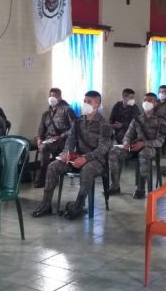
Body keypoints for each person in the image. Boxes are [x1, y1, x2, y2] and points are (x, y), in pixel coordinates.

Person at [32, 90, 112, 220]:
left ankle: (78, 206)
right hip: (76, 158)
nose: (85, 104)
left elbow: (103, 148)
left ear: (97, 105)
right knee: (53, 166)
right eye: (84, 101)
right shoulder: (78, 121)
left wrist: (85, 158)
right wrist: (67, 153)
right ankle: (46, 204)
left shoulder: (104, 124)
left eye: (89, 102)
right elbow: (71, 139)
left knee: (87, 169)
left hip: (97, 161)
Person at [107, 92, 166, 199]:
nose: (146, 102)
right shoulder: (137, 119)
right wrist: (126, 143)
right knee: (113, 151)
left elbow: (160, 142)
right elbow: (128, 135)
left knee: (144, 153)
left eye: (150, 100)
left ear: (156, 103)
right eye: (145, 100)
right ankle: (115, 185)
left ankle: (141, 188)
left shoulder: (161, 121)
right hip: (134, 147)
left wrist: (144, 143)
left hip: (151, 148)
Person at [34, 88, 75, 188]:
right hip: (48, 139)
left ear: (60, 97)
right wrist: (39, 138)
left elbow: (74, 128)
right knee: (26, 144)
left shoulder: (67, 110)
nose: (51, 98)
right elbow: (41, 128)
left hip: (62, 140)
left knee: (44, 148)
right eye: (50, 95)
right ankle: (26, 176)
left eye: (54, 95)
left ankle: (43, 175)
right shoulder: (46, 113)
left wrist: (61, 136)